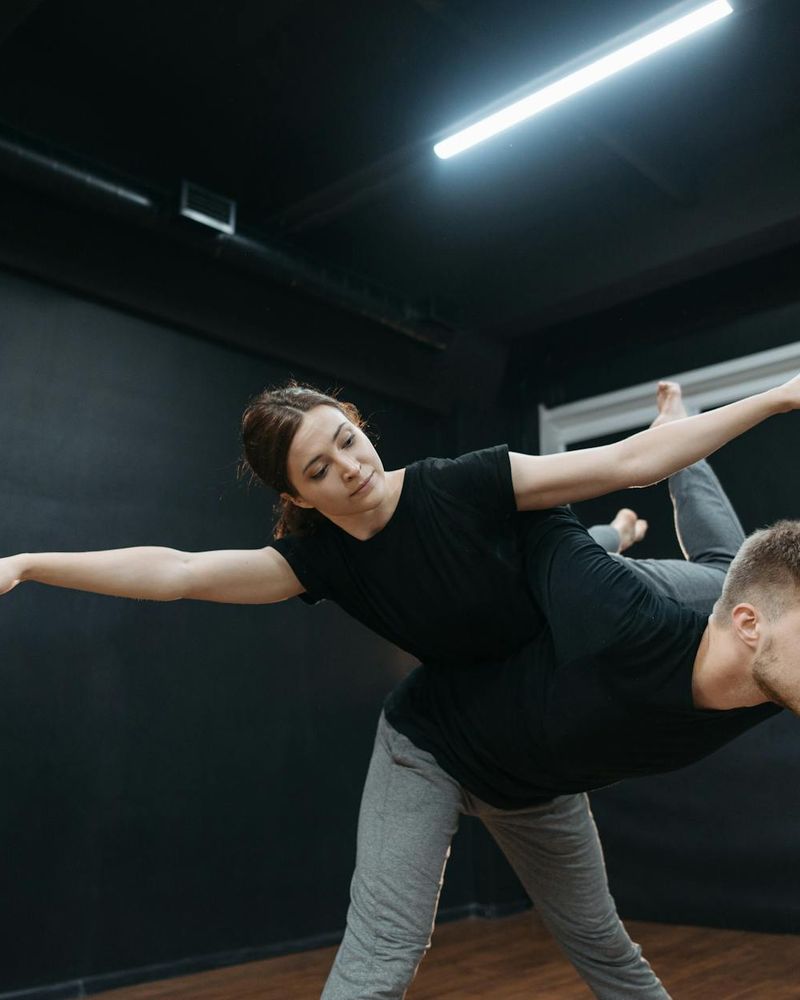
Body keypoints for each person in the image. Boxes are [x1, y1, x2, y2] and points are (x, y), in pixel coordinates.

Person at [0, 376, 797, 1000]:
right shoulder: (324, 563)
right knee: (383, 954)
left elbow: (626, 462)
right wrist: (32, 564)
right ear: (298, 495)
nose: (350, 468)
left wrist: (781, 395)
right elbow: (177, 572)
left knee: (601, 942)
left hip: (535, 763)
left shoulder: (464, 482)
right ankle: (612, 537)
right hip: (433, 749)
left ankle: (619, 527)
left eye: (347, 441)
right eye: (319, 469)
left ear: (359, 426)